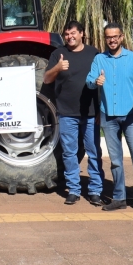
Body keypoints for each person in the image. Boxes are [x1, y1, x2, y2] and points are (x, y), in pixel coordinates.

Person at [86, 22, 133, 213]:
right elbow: (89, 81)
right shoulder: (99, 59)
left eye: (115, 36)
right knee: (115, 160)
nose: (112, 40)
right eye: (108, 37)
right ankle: (119, 197)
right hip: (108, 117)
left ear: (122, 37)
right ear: (105, 38)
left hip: (131, 116)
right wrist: (95, 81)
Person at [43, 21, 104, 206]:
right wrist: (57, 68)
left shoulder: (94, 53)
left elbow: (102, 80)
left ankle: (95, 190)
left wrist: (101, 110)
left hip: (91, 113)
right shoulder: (58, 54)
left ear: (82, 34)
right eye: (67, 34)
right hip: (67, 112)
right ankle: (74, 190)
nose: (70, 37)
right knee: (69, 153)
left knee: (93, 152)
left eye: (73, 33)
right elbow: (46, 79)